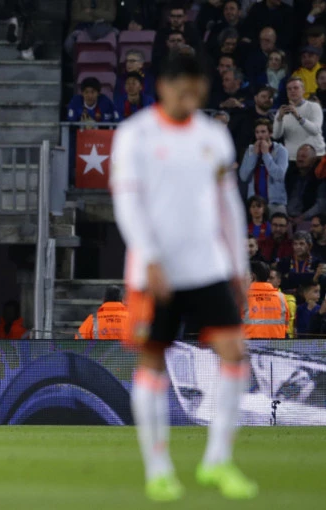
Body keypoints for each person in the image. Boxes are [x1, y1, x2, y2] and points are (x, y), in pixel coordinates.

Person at [110, 53, 257, 501]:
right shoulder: (136, 135)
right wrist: (149, 256)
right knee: (153, 360)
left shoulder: (213, 136)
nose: (188, 93)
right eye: (181, 84)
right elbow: (127, 203)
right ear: (163, 87)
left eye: (196, 85)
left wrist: (239, 267)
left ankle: (217, 461)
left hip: (207, 265)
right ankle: (158, 470)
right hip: (154, 270)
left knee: (235, 354)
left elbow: (228, 205)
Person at [238, 119, 289, 214]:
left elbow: (279, 175)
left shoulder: (281, 150)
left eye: (263, 132)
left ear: (270, 133)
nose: (260, 135)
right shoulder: (250, 150)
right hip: (254, 204)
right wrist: (254, 155)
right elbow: (243, 176)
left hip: (275, 203)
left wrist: (266, 154)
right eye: (257, 132)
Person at [273, 78, 325, 161]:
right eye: (289, 89)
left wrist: (298, 117)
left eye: (296, 88)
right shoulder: (281, 111)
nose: (292, 91)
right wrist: (279, 119)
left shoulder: (314, 107)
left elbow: (315, 130)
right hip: (292, 157)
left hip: (316, 155)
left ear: (303, 90)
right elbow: (276, 136)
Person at [244, 261, 287, 340]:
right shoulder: (281, 297)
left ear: (252, 276)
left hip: (250, 344)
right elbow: (286, 323)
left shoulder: (242, 297)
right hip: (277, 345)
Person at [287, 144, 326, 222]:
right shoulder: (290, 174)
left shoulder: (319, 178)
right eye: (298, 156)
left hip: (309, 219)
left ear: (313, 160)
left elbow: (321, 205)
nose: (300, 159)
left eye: (304, 156)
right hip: (288, 218)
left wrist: (302, 217)